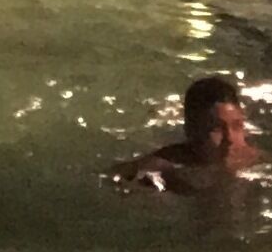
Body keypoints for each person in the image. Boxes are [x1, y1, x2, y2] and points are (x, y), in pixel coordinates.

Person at [109, 72, 260, 190]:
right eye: (216, 128)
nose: (230, 139)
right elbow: (110, 177)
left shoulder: (253, 160)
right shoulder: (171, 165)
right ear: (191, 132)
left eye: (236, 126)